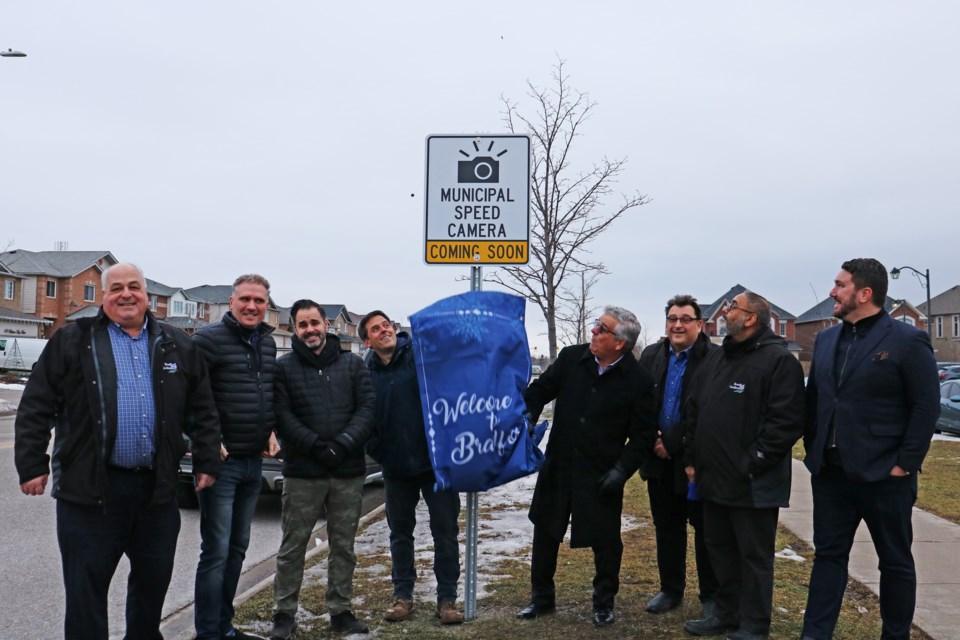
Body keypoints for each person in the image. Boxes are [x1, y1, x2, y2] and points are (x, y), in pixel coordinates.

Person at [14, 263, 221, 640]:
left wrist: (207, 458)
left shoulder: (177, 343)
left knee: (151, 587)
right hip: (89, 494)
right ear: (104, 296)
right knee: (85, 594)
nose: (126, 294)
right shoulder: (73, 340)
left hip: (155, 493)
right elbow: (36, 404)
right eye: (117, 288)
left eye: (135, 287)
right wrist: (31, 464)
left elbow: (202, 408)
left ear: (146, 295)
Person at [800, 259, 940, 640]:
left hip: (885, 477)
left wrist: (905, 464)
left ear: (864, 294)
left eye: (839, 285)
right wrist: (813, 450)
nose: (832, 291)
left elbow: (926, 407)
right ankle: (815, 635)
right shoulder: (826, 340)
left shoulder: (906, 340)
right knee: (828, 558)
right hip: (831, 476)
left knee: (894, 563)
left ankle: (895, 636)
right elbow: (816, 401)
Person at [516, 306, 658, 627]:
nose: (593, 332)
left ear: (619, 342)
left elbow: (643, 436)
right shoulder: (571, 358)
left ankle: (604, 602)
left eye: (601, 329)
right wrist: (529, 413)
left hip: (601, 472)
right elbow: (540, 390)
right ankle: (541, 598)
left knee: (606, 540)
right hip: (559, 464)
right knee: (546, 530)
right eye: (596, 325)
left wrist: (621, 471)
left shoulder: (639, 381)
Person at [682, 291, 805, 640]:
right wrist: (691, 459)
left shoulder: (778, 361)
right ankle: (726, 614)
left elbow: (786, 422)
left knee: (753, 557)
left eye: (733, 307)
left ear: (751, 318)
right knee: (719, 550)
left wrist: (754, 463)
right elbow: (695, 410)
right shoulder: (717, 358)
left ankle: (754, 625)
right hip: (713, 479)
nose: (726, 312)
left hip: (753, 483)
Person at [270, 299, 376, 638]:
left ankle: (341, 611)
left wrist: (342, 443)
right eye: (302, 325)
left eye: (314, 322)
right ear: (294, 330)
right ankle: (284, 614)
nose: (310, 329)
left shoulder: (353, 365)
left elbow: (367, 409)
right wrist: (316, 446)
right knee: (292, 547)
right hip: (303, 472)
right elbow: (283, 416)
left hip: (347, 471)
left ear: (326, 325)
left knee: (343, 546)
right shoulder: (283, 369)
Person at [359, 310, 464, 625]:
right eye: (376, 329)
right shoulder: (366, 374)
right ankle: (402, 596)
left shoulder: (421, 359)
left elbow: (453, 381)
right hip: (396, 470)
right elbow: (364, 419)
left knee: (445, 532)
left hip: (436, 468)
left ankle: (447, 600)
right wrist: (380, 451)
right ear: (367, 340)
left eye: (386, 325)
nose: (384, 330)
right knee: (400, 535)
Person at [192, 274, 280, 640]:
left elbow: (266, 393)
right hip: (222, 465)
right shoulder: (207, 341)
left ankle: (224, 627)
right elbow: (188, 397)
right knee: (216, 550)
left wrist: (272, 430)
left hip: (253, 461)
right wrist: (207, 441)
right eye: (245, 299)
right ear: (231, 302)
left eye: (259, 301)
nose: (251, 306)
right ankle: (207, 632)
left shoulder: (269, 343)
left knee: (237, 549)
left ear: (267, 306)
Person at [638, 295, 719, 616]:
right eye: (673, 318)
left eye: (686, 319)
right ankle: (671, 590)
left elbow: (710, 410)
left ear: (699, 324)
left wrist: (672, 441)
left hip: (696, 461)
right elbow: (641, 401)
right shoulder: (652, 355)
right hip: (657, 460)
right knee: (667, 527)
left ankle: (711, 596)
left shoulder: (715, 358)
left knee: (705, 530)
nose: (678, 324)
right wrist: (651, 436)